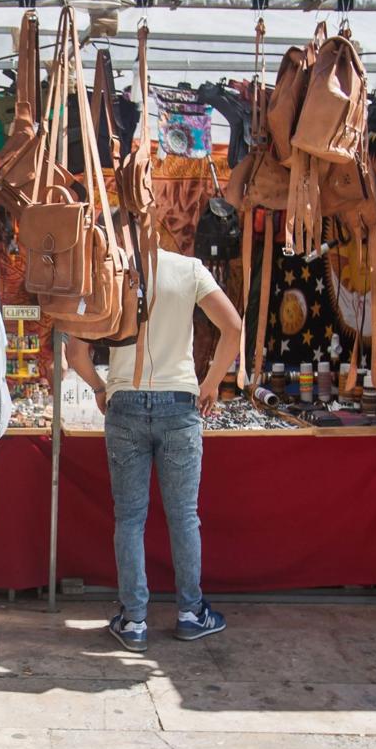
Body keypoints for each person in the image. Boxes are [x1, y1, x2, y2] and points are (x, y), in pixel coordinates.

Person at [65, 248, 242, 652]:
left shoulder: (105, 273)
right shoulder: (187, 268)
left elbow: (75, 352)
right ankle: (191, 613)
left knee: (129, 518)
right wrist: (212, 381)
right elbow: (232, 327)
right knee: (183, 517)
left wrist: (99, 386)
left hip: (124, 400)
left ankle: (133, 620)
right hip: (179, 402)